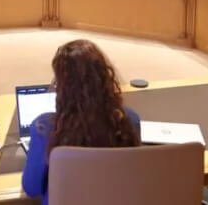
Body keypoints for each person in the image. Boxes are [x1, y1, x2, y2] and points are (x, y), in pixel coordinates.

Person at [21, 40, 140, 205]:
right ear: (104, 77)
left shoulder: (44, 128)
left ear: (62, 86)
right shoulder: (129, 120)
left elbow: (32, 188)